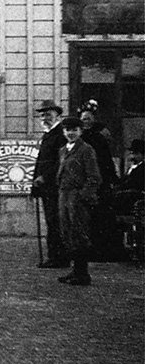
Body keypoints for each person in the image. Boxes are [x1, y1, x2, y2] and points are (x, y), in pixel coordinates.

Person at [56, 116, 102, 286]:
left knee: (79, 233)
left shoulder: (86, 150)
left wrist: (83, 196)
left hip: (77, 197)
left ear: (80, 131)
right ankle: (75, 271)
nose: (71, 133)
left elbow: (94, 177)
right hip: (64, 195)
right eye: (68, 130)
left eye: (74, 130)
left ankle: (83, 274)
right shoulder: (63, 150)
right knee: (67, 232)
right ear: (63, 131)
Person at [79, 106, 121, 260]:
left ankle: (101, 250)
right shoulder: (78, 138)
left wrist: (111, 179)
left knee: (99, 217)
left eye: (88, 119)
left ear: (93, 121)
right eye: (83, 119)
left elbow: (106, 161)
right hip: (84, 182)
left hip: (99, 182)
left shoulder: (99, 138)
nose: (86, 122)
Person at [31, 100, 68, 268]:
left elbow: (60, 162)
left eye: (48, 114)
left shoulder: (60, 135)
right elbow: (42, 161)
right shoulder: (48, 134)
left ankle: (59, 258)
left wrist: (44, 177)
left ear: (57, 116)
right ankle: (54, 256)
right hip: (47, 187)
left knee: (56, 222)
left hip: (56, 186)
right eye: (42, 115)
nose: (45, 118)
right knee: (52, 222)